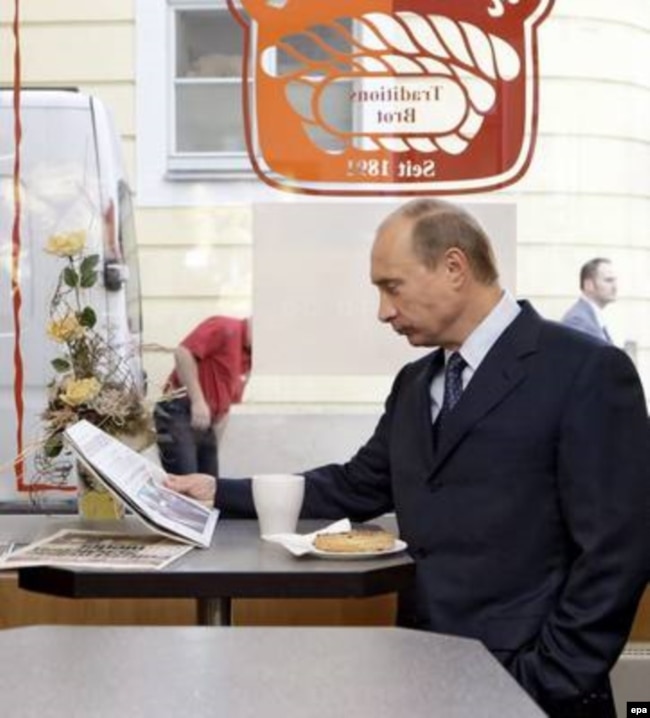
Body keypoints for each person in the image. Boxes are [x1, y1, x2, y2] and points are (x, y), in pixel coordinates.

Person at [165, 200, 650, 718]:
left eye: (391, 286)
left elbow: (618, 552)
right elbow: (356, 486)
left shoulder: (586, 371)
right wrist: (219, 491)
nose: (383, 311)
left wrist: (545, 680)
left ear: (454, 267)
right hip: (424, 675)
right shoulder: (415, 383)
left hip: (533, 688)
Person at [154, 316, 251, 478]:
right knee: (186, 484)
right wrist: (198, 400)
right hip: (179, 409)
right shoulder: (225, 327)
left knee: (210, 487)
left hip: (207, 422)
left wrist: (214, 444)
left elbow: (226, 407)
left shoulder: (249, 359)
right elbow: (183, 353)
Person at [562, 258, 617, 343]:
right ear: (589, 285)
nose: (615, 287)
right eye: (608, 280)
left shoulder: (590, 317)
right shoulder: (577, 320)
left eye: (615, 280)